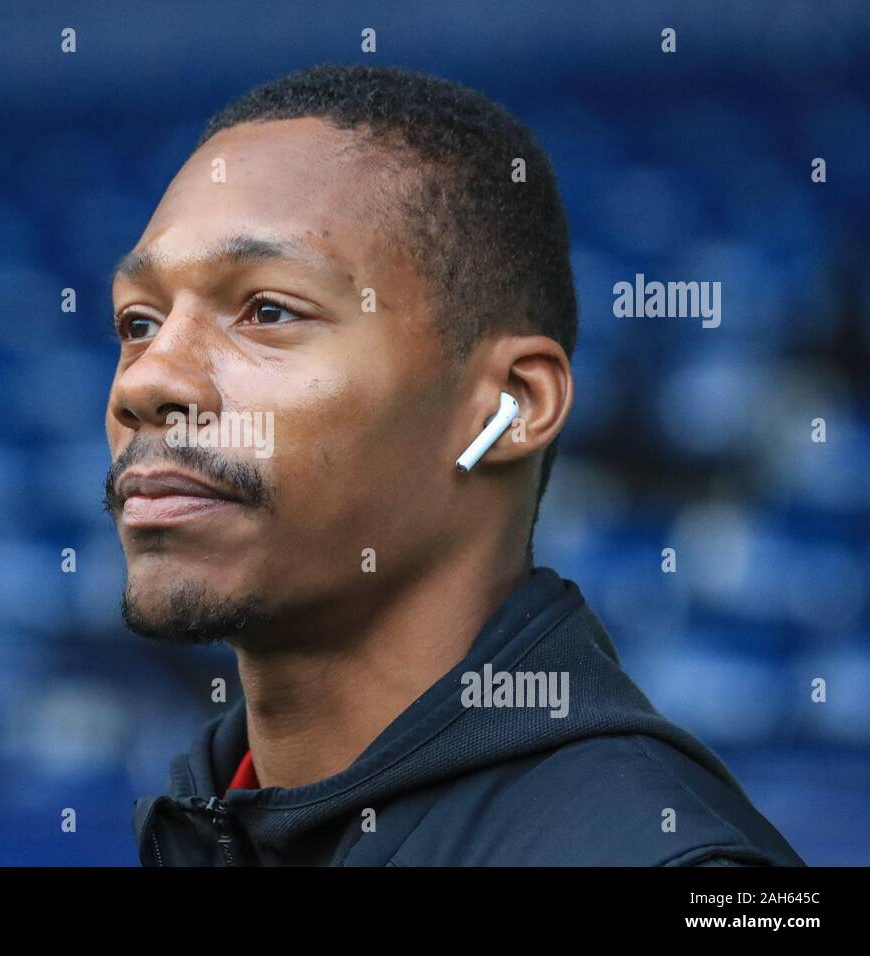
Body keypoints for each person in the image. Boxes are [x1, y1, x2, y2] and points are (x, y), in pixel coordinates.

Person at [102, 64, 803, 866]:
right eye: (138, 321)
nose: (148, 379)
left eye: (267, 311)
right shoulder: (214, 819)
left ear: (510, 406)